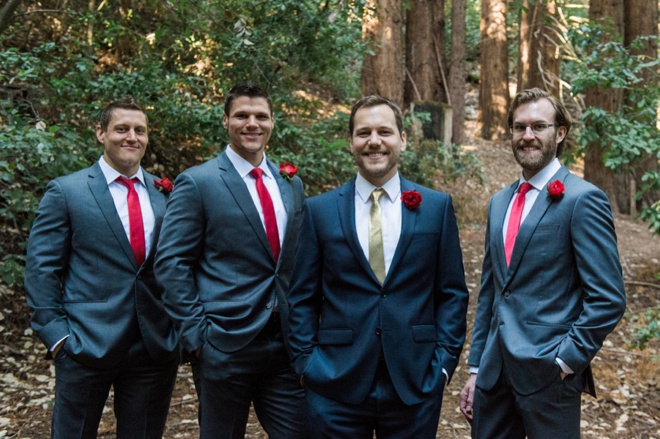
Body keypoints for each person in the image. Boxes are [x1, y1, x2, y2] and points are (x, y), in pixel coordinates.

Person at [287, 95, 469, 438]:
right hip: (335, 383)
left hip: (415, 382)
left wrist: (443, 366)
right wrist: (306, 365)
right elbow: (301, 297)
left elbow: (452, 293)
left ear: (403, 139)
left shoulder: (435, 207)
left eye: (384, 131)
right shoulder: (319, 210)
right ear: (351, 142)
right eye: (363, 132)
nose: (374, 141)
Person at [459, 88, 626, 438]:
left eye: (539, 126)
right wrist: (476, 369)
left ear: (560, 132)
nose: (528, 136)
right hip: (493, 376)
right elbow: (491, 292)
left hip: (549, 379)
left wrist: (566, 360)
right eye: (519, 127)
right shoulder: (498, 203)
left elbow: (608, 298)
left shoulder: (583, 199)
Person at [154, 82, 308, 438]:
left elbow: (296, 259)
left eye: (261, 116)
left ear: (273, 122)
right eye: (242, 115)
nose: (251, 123)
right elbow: (171, 264)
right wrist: (198, 338)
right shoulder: (197, 182)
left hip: (285, 342)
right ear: (225, 120)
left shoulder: (290, 184)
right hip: (223, 343)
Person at [24, 96, 179, 438]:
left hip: (153, 344)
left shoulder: (165, 192)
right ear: (100, 133)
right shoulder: (67, 191)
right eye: (121, 129)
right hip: (85, 342)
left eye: (139, 130)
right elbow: (41, 268)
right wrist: (57, 335)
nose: (131, 137)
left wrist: (178, 328)